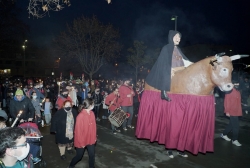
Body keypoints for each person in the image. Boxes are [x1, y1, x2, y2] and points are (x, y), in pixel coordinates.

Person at [145, 30, 192, 101]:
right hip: (171, 69)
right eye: (176, 36)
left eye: (179, 37)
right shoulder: (166, 48)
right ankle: (163, 92)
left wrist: (192, 64)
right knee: (166, 71)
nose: (178, 39)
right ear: (171, 37)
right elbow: (163, 62)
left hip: (181, 68)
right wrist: (170, 70)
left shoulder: (178, 49)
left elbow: (183, 60)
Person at [68, 98, 96, 168]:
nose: (94, 105)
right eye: (93, 104)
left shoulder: (92, 113)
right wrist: (81, 143)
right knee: (79, 156)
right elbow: (78, 131)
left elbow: (94, 127)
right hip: (82, 140)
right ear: (90, 105)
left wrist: (94, 137)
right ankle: (71, 165)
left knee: (92, 155)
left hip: (90, 138)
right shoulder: (80, 116)